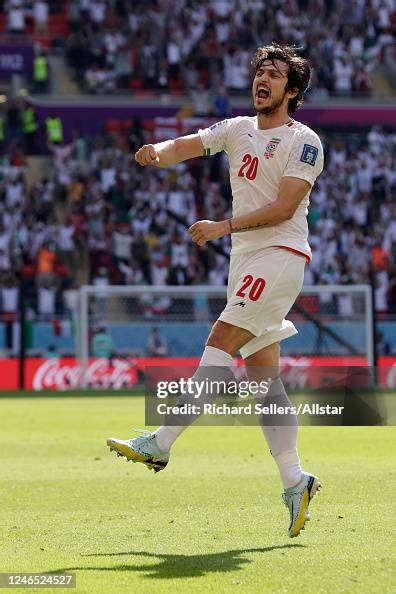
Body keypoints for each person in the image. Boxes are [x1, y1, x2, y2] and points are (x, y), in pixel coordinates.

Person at [107, 44, 324, 538]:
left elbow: (285, 208)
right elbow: (188, 145)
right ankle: (296, 481)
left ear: (292, 91)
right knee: (265, 380)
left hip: (280, 255)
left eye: (274, 75)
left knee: (220, 341)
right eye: (259, 72)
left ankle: (160, 443)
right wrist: (158, 153)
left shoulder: (304, 141)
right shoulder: (236, 129)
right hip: (247, 259)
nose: (261, 80)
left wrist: (222, 226)